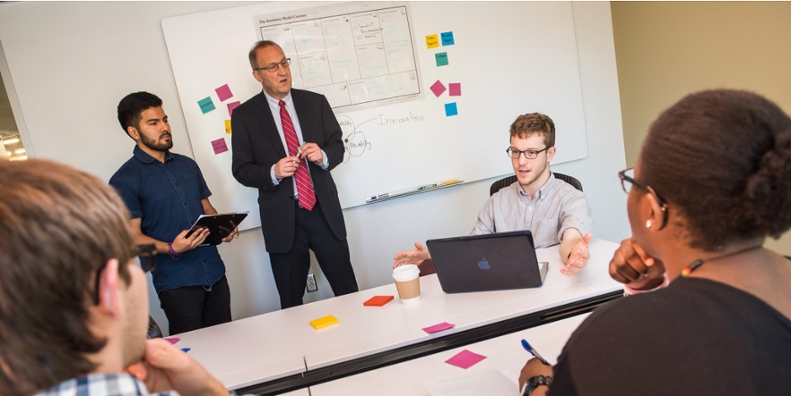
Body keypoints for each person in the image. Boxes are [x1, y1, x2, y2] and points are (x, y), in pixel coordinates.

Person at [518, 89, 791, 395]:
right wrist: (652, 288)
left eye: (631, 179)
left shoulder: (615, 335)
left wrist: (536, 383)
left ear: (652, 209)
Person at [0, 159, 227, 396]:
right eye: (138, 262)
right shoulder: (128, 178)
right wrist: (212, 392)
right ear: (108, 289)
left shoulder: (185, 165)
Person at [231, 40, 358, 309]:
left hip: (324, 212)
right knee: (290, 302)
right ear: (257, 75)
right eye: (272, 66)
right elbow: (240, 169)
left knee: (348, 291)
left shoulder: (315, 102)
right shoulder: (244, 116)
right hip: (282, 220)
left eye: (285, 62)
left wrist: (322, 155)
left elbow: (337, 145)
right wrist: (273, 172)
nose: (282, 71)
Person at [393, 113, 594, 275]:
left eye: (531, 152)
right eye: (515, 151)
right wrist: (430, 255)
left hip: (554, 289)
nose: (521, 161)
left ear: (550, 153)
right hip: (509, 290)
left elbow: (571, 240)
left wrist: (574, 253)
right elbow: (471, 249)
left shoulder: (571, 197)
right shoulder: (497, 200)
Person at [110, 92, 237, 335]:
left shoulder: (187, 165)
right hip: (177, 285)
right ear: (133, 132)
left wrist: (223, 227)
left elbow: (207, 209)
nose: (165, 127)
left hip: (214, 273)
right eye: (153, 123)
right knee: (192, 358)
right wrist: (171, 248)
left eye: (165, 119)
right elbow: (131, 240)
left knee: (228, 345)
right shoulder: (124, 181)